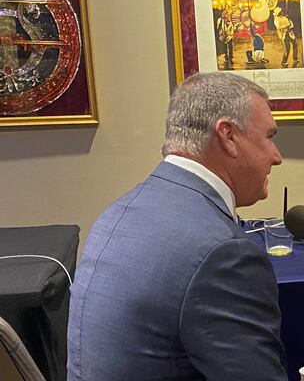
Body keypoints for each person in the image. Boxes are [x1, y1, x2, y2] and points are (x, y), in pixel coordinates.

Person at [67, 72, 286, 380]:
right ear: (228, 136)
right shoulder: (224, 254)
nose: (276, 157)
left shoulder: (116, 214)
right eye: (269, 137)